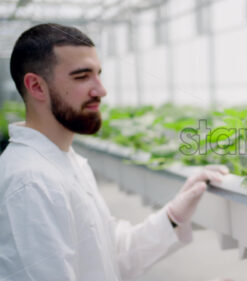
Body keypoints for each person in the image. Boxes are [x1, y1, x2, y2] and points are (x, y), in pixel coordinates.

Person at [0, 23, 229, 281]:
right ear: (37, 86)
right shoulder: (31, 183)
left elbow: (109, 256)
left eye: (98, 74)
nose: (101, 90)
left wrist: (173, 216)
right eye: (82, 76)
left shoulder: (65, 162)